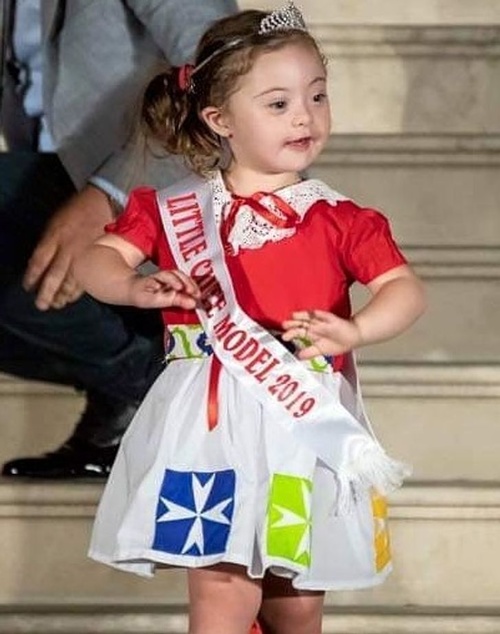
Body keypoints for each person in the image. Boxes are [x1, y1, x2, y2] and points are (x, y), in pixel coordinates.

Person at [74, 3, 426, 633]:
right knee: (221, 594)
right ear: (219, 120)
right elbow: (95, 260)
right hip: (212, 425)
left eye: (317, 96)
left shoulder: (341, 219)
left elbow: (403, 289)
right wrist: (134, 285)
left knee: (296, 602)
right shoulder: (172, 210)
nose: (305, 116)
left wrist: (356, 330)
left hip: (303, 422)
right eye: (278, 103)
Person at [0, 0, 238, 478]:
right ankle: (136, 384)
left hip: (180, 198)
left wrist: (111, 195)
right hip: (60, 185)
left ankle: (166, 378)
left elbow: (233, 72)